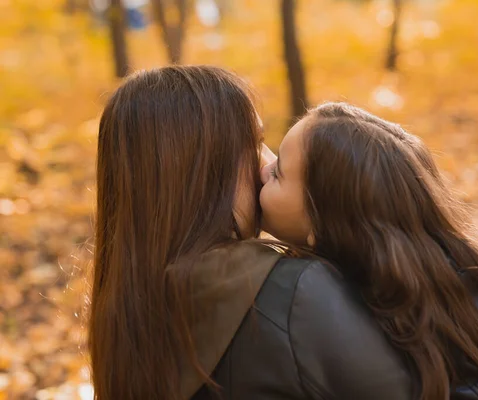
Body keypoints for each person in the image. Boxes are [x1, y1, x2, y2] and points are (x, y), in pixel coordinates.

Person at [88, 66, 414, 400]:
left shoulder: (124, 323)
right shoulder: (294, 293)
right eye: (255, 144)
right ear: (207, 168)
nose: (268, 165)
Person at [259, 102, 478, 400]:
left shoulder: (359, 310)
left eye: (278, 172)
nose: (263, 169)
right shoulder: (462, 271)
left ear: (325, 221)